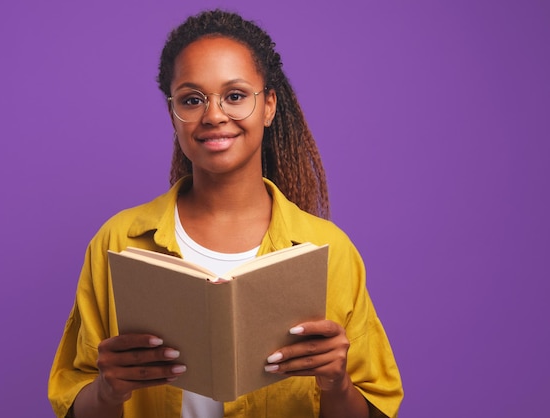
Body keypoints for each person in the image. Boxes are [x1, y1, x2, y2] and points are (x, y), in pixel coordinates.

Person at [48, 9, 403, 418]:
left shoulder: (329, 250)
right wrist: (108, 391)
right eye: (192, 99)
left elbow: (373, 409)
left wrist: (336, 382)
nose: (214, 115)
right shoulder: (117, 242)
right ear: (173, 114)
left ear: (268, 105)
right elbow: (75, 405)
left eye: (235, 95)